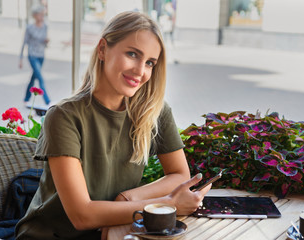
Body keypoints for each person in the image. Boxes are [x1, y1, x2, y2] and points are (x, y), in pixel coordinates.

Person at [15, 11, 211, 240]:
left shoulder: (154, 111)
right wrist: (167, 203)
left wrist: (129, 198)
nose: (140, 71)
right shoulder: (63, 117)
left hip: (115, 229)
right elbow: (82, 216)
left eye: (149, 62)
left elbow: (179, 174)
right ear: (102, 50)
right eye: (132, 54)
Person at [19, 5, 51, 106]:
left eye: (43, 14)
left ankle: (26, 98)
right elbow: (24, 43)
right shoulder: (30, 27)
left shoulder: (45, 26)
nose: (42, 16)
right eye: (40, 14)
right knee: (40, 78)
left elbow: (45, 42)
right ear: (35, 15)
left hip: (41, 55)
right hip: (32, 55)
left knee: (33, 78)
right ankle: (48, 101)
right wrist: (20, 59)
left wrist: (46, 42)